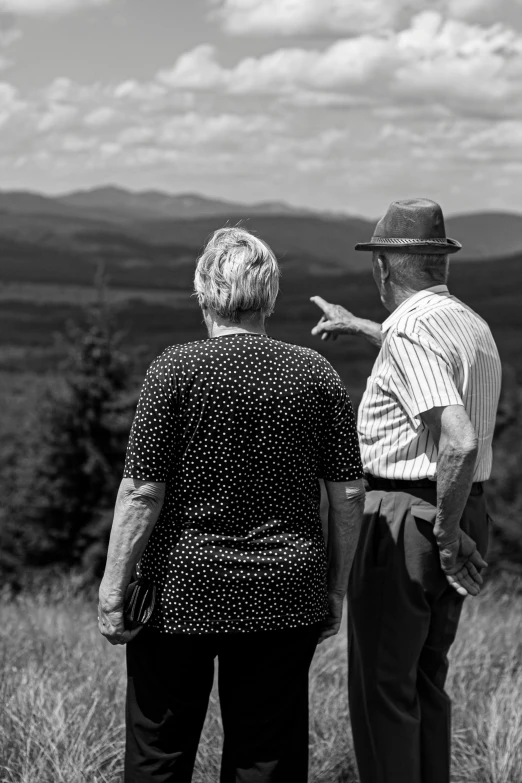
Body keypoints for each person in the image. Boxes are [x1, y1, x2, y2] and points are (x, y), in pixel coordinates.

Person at [98, 226, 365, 783]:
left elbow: (143, 491)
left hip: (180, 588)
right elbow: (348, 494)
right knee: (266, 755)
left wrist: (112, 587)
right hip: (284, 591)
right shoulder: (316, 374)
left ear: (202, 291)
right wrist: (334, 588)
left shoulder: (175, 369)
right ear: (269, 294)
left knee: (159, 750)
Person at [311, 198, 501, 783]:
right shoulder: (469, 324)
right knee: (424, 683)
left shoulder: (412, 332)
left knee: (382, 693)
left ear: (386, 267)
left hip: (407, 516)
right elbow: (424, 361)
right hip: (463, 506)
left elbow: (459, 441)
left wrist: (440, 533)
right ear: (441, 263)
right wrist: (364, 327)